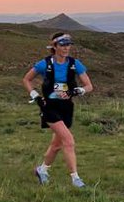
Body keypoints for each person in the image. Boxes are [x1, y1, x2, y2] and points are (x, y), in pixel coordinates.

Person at [21, 32, 94, 188]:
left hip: (66, 108)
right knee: (69, 141)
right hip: (49, 107)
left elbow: (89, 86)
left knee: (56, 145)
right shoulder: (44, 64)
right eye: (62, 45)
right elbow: (26, 79)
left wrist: (77, 91)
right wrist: (35, 96)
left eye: (68, 44)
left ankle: (42, 170)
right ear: (54, 46)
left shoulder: (75, 64)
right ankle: (75, 179)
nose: (66, 48)